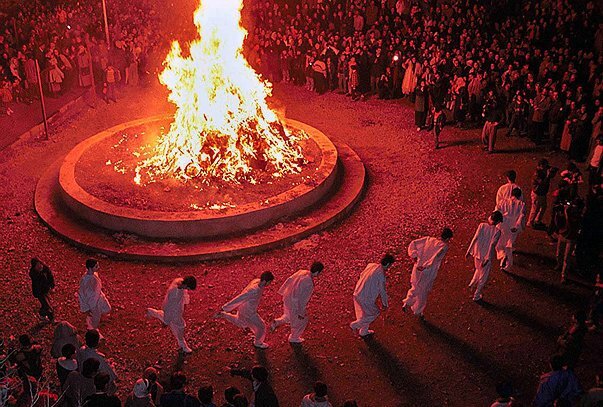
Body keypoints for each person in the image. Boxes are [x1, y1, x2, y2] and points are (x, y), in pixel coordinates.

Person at [402, 228, 453, 318]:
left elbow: (414, 243)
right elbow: (436, 257)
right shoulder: (444, 246)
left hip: (417, 267)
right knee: (423, 291)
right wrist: (427, 266)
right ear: (448, 238)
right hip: (428, 271)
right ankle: (418, 311)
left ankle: (407, 302)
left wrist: (414, 256)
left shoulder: (429, 239)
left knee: (415, 286)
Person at [216, 272, 275, 349]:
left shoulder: (256, 281)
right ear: (264, 281)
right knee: (262, 327)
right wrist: (225, 307)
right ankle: (258, 343)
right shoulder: (254, 290)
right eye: (269, 282)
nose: (269, 284)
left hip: (244, 308)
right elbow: (239, 298)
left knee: (240, 322)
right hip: (249, 312)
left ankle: (223, 314)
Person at [270, 262, 324, 343]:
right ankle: (294, 337)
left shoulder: (302, 272)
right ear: (317, 272)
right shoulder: (309, 283)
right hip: (294, 302)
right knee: (301, 321)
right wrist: (301, 313)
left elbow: (289, 279)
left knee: (288, 315)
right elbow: (302, 300)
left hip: (287, 297)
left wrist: (283, 291)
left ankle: (277, 322)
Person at [146, 276, 197, 354]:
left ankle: (151, 311)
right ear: (186, 285)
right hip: (174, 313)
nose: (188, 290)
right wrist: (166, 321)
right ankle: (182, 344)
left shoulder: (179, 282)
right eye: (188, 288)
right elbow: (169, 307)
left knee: (166, 318)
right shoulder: (175, 293)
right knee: (180, 326)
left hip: (175, 311)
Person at [350, 254, 395, 337]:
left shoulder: (371, 265)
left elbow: (362, 275)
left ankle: (363, 331)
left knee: (364, 314)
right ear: (388, 264)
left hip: (357, 292)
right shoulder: (381, 275)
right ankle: (356, 325)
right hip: (365, 298)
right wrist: (385, 304)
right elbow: (383, 291)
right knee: (374, 313)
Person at [466, 211, 503, 302]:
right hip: (486, 256)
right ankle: (476, 295)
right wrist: (487, 258)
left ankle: (472, 284)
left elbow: (475, 238)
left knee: (478, 269)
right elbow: (492, 245)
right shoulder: (497, 232)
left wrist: (469, 251)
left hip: (477, 253)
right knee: (484, 276)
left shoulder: (482, 225)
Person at [495, 188, 526, 273]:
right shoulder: (521, 204)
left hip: (503, 225)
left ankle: (502, 255)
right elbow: (521, 216)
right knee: (509, 244)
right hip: (513, 227)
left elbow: (497, 211)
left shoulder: (502, 202)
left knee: (500, 243)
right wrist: (517, 226)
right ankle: (507, 265)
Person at [78, 259, 111, 334]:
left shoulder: (94, 275)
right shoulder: (85, 281)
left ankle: (96, 321)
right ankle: (93, 332)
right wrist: (86, 307)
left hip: (99, 298)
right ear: (90, 268)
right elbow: (82, 294)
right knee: (95, 319)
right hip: (93, 303)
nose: (98, 267)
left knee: (107, 308)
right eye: (96, 266)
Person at [555, 198, 584, 283]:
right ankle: (559, 264)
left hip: (571, 237)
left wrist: (565, 212)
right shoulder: (568, 210)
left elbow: (572, 223)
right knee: (559, 253)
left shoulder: (578, 215)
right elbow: (558, 220)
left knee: (567, 258)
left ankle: (564, 275)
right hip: (563, 235)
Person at [527, 159, 557, 229]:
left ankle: (537, 221)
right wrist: (548, 176)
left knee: (543, 207)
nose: (546, 168)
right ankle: (530, 222)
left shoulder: (543, 170)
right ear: (540, 166)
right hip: (537, 194)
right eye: (545, 166)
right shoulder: (537, 174)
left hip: (542, 193)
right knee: (535, 209)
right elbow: (542, 183)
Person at [29, 258, 55, 322]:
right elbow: (40, 283)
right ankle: (52, 319)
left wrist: (52, 285)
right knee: (48, 306)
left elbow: (50, 276)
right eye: (37, 265)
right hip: (40, 292)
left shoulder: (45, 269)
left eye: (40, 264)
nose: (40, 266)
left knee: (45, 304)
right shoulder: (35, 274)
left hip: (45, 290)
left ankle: (42, 315)